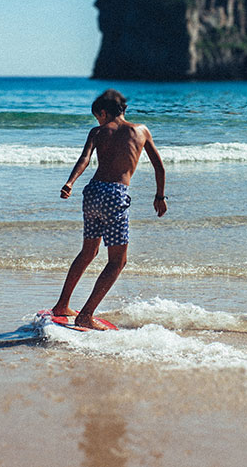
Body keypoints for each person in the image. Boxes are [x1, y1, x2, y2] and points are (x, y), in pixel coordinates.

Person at [52, 89, 167, 329]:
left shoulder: (97, 132)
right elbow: (159, 167)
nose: (98, 121)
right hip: (115, 195)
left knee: (88, 252)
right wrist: (159, 196)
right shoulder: (141, 131)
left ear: (103, 113)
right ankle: (85, 315)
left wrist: (70, 183)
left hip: (92, 192)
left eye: (97, 116)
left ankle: (62, 305)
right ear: (124, 110)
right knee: (117, 261)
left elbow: (84, 159)